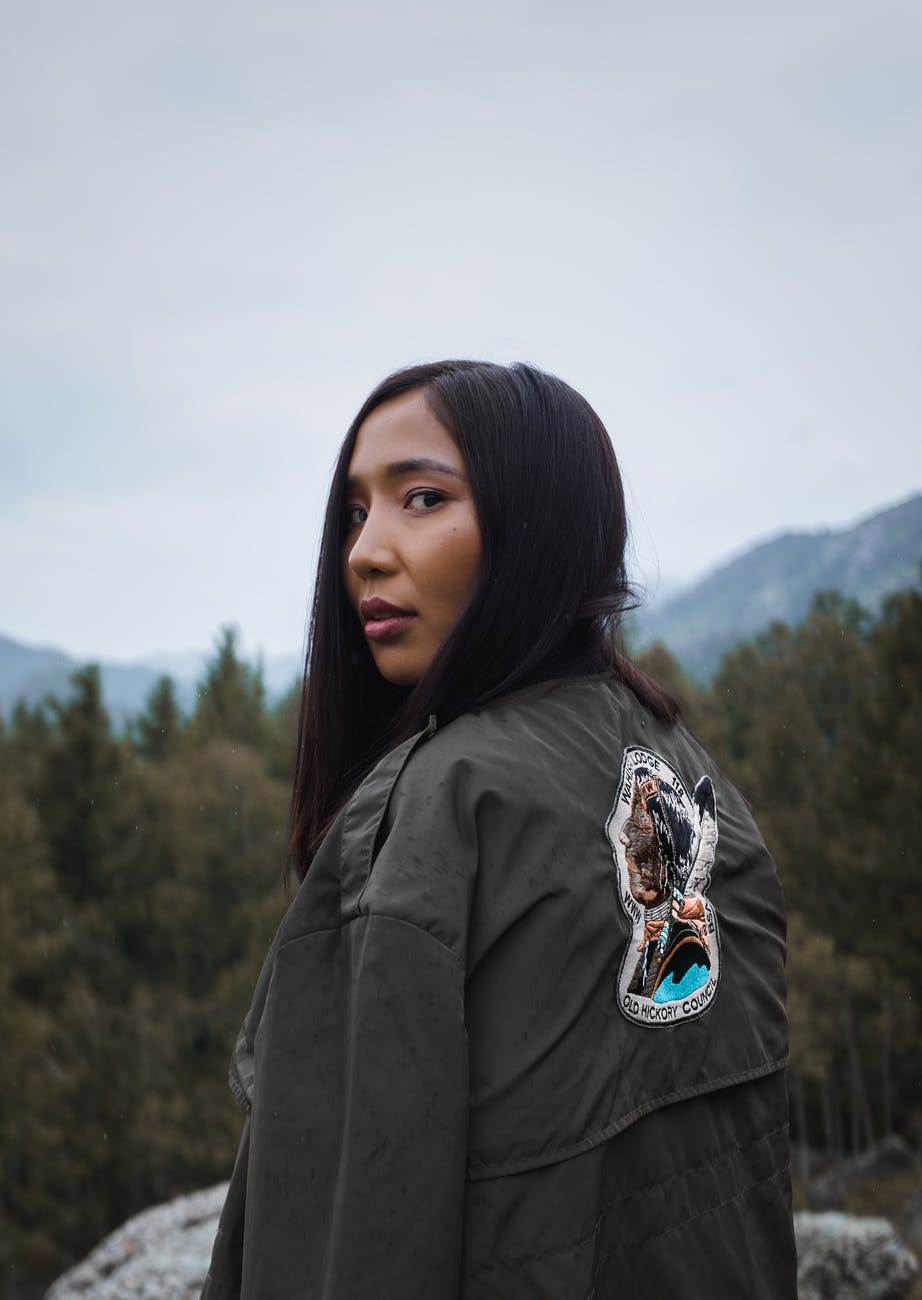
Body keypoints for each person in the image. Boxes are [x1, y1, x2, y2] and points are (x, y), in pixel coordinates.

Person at [200, 360, 797, 1299]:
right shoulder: (684, 766)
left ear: (537, 526)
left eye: (423, 498)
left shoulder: (443, 808)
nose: (363, 552)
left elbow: (343, 1231)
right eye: (355, 511)